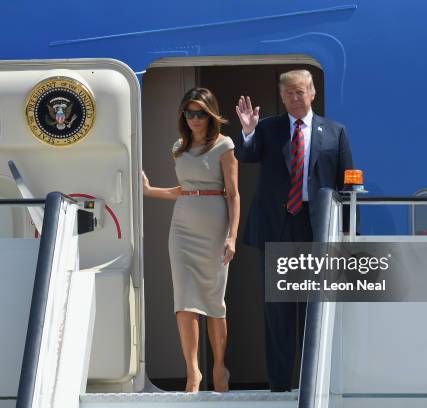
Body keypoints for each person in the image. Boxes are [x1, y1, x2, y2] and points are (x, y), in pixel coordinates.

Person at [234, 69, 353, 391]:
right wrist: (247, 131)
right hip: (278, 227)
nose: (295, 98)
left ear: (312, 93)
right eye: (288, 94)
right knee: (279, 311)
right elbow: (246, 156)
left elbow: (346, 183)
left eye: (300, 92)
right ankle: (280, 386)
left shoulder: (334, 132)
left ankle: (315, 384)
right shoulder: (269, 129)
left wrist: (343, 232)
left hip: (317, 228)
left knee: (317, 308)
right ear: (282, 96)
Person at [142, 87, 240, 393]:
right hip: (182, 227)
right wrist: (149, 191)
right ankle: (193, 372)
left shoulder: (224, 145)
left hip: (214, 226)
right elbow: (180, 190)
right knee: (184, 301)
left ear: (210, 114)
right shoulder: (178, 147)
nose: (194, 119)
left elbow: (234, 194)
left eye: (199, 113)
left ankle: (219, 367)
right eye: (189, 113)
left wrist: (233, 236)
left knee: (213, 301)